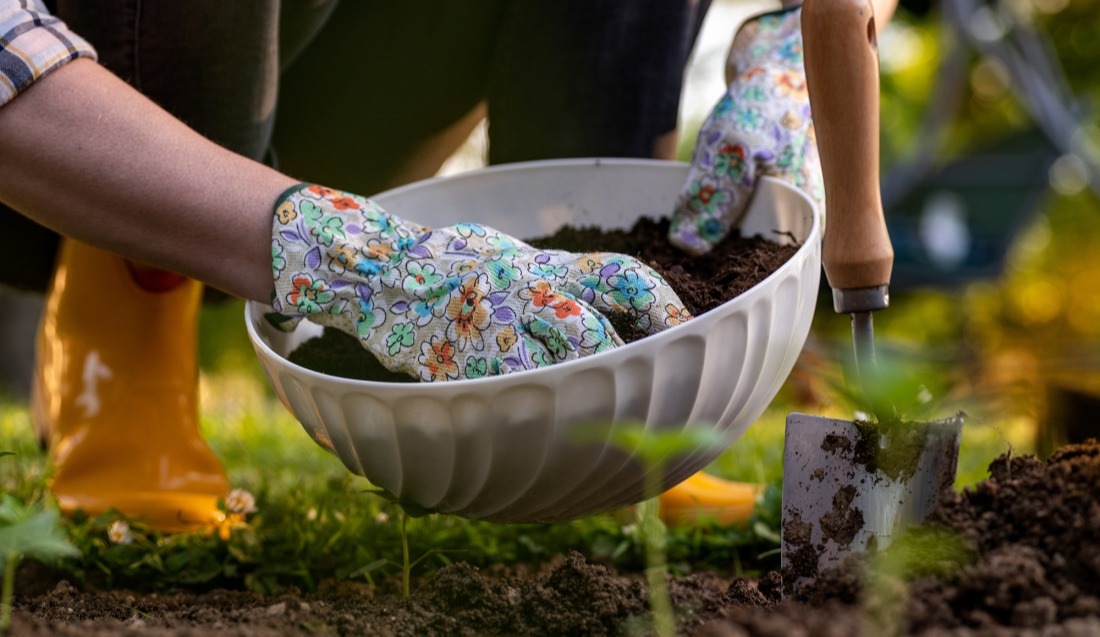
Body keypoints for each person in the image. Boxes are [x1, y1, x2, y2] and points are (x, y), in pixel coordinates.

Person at [0, 0, 895, 531]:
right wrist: (361, 263)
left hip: (338, 106)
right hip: (82, 132)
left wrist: (794, 45)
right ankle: (126, 332)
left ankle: (618, 370)